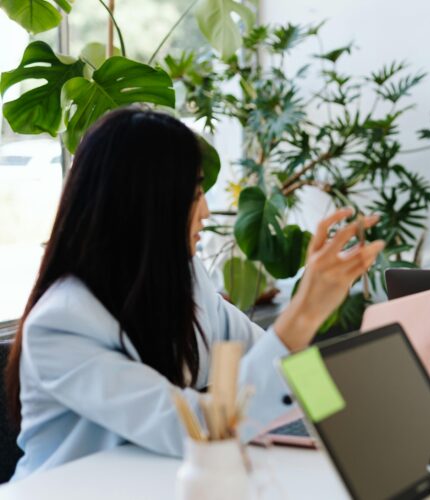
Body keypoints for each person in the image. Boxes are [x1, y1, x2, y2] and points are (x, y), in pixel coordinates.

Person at [4, 108, 384, 480]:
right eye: (193, 193)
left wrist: (345, 415)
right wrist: (303, 315)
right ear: (144, 205)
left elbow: (270, 361)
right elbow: (196, 427)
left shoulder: (188, 281)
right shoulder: (61, 324)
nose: (205, 211)